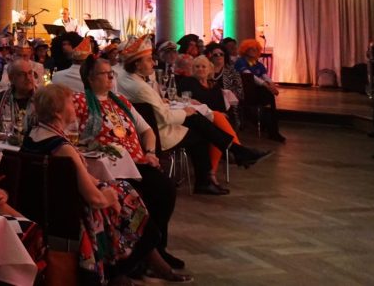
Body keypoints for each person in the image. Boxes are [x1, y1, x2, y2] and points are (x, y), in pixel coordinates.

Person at [23, 84, 178, 286]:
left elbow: (84, 179)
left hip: (48, 207)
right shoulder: (63, 149)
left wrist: (104, 186)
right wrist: (109, 197)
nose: (75, 106)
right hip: (70, 213)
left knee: (121, 189)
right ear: (57, 112)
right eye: (70, 102)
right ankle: (120, 267)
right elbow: (94, 198)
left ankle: (132, 266)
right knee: (126, 195)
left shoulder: (33, 136)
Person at [73, 55, 186, 274]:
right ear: (90, 77)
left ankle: (157, 247)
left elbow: (147, 131)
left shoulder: (121, 101)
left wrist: (150, 152)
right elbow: (73, 134)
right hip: (108, 167)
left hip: (136, 162)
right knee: (137, 196)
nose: (111, 78)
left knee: (165, 189)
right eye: (105, 74)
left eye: (111, 73)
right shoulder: (79, 101)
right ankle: (140, 254)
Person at [116, 40, 264, 195]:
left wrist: (165, 103)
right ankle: (227, 160)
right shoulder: (141, 87)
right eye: (149, 59)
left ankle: (234, 154)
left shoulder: (126, 79)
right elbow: (166, 118)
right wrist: (185, 112)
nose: (154, 63)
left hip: (148, 128)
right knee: (200, 129)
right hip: (157, 134)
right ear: (137, 64)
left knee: (197, 120)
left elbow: (153, 107)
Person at [234, 38, 285, 143]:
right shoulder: (241, 62)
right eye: (251, 49)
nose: (254, 51)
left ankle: (272, 129)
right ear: (245, 50)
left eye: (256, 49)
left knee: (269, 98)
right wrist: (266, 85)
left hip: (257, 91)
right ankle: (272, 129)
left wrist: (272, 85)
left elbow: (264, 75)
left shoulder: (257, 63)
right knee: (268, 96)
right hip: (245, 92)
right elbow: (250, 76)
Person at [0, 58, 37, 134]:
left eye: (30, 73)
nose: (28, 78)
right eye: (22, 74)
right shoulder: (0, 99)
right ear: (11, 78)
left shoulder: (43, 98)